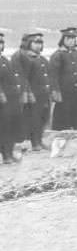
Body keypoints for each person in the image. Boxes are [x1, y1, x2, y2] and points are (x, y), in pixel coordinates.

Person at [50, 27, 77, 131]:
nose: (71, 41)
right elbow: (53, 76)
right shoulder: (57, 55)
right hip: (65, 93)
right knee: (63, 118)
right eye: (68, 38)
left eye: (73, 39)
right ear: (63, 40)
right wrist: (55, 92)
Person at [17, 33, 52, 150]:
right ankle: (35, 142)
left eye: (40, 43)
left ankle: (40, 140)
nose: (38, 46)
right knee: (34, 119)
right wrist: (28, 93)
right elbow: (23, 77)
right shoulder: (26, 58)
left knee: (43, 118)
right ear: (29, 44)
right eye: (35, 43)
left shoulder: (42, 59)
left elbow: (48, 75)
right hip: (34, 95)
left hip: (44, 94)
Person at [0, 32, 25, 162]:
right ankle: (5, 155)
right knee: (3, 128)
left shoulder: (4, 59)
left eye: (1, 42)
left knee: (9, 127)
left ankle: (8, 153)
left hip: (11, 101)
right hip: (2, 101)